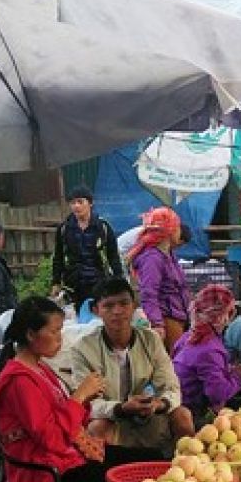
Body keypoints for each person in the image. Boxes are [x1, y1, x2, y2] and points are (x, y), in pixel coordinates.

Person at [0, 297, 127, 482]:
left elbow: (65, 421)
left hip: (62, 455)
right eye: (54, 332)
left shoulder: (40, 368)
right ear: (31, 334)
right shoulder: (20, 381)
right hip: (44, 475)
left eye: (60, 330)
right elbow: (52, 439)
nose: (60, 338)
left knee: (146, 458)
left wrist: (84, 399)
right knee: (121, 481)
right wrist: (78, 396)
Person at [70, 278, 194, 452]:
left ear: (134, 305)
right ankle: (106, 476)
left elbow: (171, 387)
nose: (117, 311)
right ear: (96, 310)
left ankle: (186, 470)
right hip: (112, 420)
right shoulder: (82, 349)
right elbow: (86, 404)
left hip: (148, 417)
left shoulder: (151, 340)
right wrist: (121, 408)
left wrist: (159, 404)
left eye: (124, 303)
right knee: (96, 428)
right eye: (108, 306)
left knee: (183, 415)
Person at [173, 285, 241, 420]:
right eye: (229, 314)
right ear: (221, 317)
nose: (229, 320)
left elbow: (205, 372)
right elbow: (217, 394)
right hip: (194, 413)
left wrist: (230, 370)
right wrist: (238, 377)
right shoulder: (210, 349)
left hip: (179, 406)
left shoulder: (187, 337)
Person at [128, 208, 191, 351]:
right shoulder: (152, 258)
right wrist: (157, 324)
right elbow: (149, 293)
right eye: (177, 227)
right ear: (170, 231)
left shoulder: (168, 254)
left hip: (178, 317)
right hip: (167, 320)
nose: (179, 231)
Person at [51, 185, 122, 313]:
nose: (76, 206)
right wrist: (56, 282)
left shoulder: (103, 227)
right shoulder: (64, 229)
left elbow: (113, 256)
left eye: (80, 202)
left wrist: (119, 280)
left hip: (99, 282)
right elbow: (58, 257)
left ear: (90, 203)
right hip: (74, 285)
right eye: (73, 203)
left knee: (100, 317)